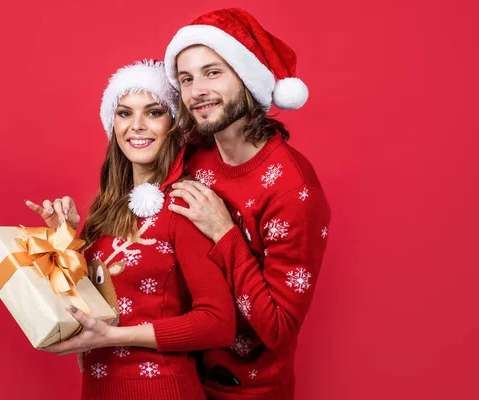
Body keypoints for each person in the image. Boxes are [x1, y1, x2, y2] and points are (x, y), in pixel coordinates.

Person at [25, 60, 236, 400]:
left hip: (161, 390)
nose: (137, 126)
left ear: (173, 123)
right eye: (124, 113)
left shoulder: (184, 204)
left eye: (153, 112)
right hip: (100, 389)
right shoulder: (105, 211)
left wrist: (113, 338)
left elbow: (218, 324)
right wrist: (64, 241)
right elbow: (94, 303)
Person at [163, 8, 332, 400]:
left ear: (247, 78)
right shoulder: (193, 154)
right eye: (186, 79)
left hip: (248, 392)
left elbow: (277, 328)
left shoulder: (294, 191)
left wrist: (223, 230)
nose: (196, 90)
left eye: (213, 72)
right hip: (179, 374)